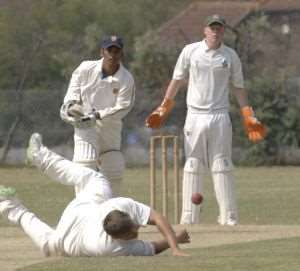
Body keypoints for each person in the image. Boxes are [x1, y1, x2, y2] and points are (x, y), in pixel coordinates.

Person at [145, 15, 266, 226]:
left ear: (223, 31)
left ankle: (229, 217)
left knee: (222, 164)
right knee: (193, 163)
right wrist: (164, 107)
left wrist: (248, 114)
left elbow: (238, 88)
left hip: (220, 115)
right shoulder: (190, 51)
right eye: (212, 28)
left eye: (219, 28)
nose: (215, 32)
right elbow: (177, 80)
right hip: (195, 115)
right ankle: (189, 217)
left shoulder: (230, 56)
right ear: (205, 30)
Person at [0, 133, 190, 257]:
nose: (138, 229)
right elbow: (153, 247)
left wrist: (175, 247)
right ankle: (9, 204)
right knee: (49, 244)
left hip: (84, 207)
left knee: (96, 180)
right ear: (120, 238)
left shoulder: (118, 205)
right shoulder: (109, 248)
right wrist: (175, 243)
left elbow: (156, 218)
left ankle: (40, 156)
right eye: (134, 232)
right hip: (69, 238)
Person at [60, 35, 135, 195]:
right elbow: (73, 92)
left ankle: (110, 213)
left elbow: (123, 107)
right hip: (84, 124)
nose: (112, 55)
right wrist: (70, 106)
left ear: (121, 54)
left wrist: (98, 115)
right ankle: (83, 210)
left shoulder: (126, 79)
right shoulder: (85, 68)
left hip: (109, 127)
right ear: (102, 52)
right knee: (84, 164)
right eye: (109, 50)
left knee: (113, 169)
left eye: (116, 51)